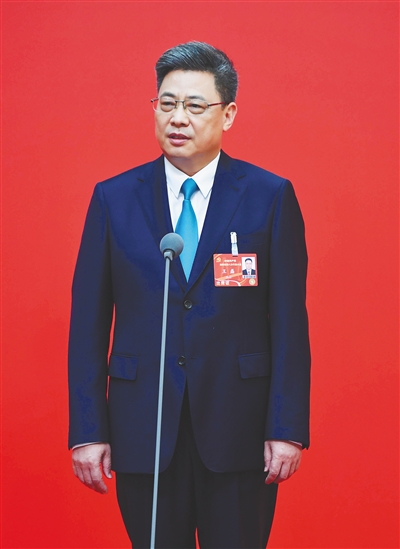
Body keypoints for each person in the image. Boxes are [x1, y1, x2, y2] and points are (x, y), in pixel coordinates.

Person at [68, 41, 311, 549]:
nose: (178, 118)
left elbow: (289, 323)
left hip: (240, 430)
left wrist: (287, 427)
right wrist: (88, 430)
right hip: (144, 430)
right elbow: (87, 325)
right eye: (167, 103)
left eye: (195, 105)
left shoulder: (269, 197)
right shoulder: (114, 198)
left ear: (228, 114)